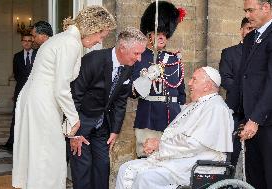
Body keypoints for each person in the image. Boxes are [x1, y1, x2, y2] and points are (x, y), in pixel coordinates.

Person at [12, 6, 116, 189]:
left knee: (42, 156)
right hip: (44, 102)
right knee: (48, 158)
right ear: (92, 29)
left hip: (38, 100)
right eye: (101, 36)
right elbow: (61, 88)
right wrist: (75, 121)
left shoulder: (63, 38)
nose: (99, 42)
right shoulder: (70, 43)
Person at [116, 67, 234, 189]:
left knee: (147, 177)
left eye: (194, 79)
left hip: (199, 163)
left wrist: (160, 146)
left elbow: (194, 143)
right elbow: (177, 133)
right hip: (183, 157)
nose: (189, 83)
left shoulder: (216, 108)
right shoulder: (197, 104)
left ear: (207, 86)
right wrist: (158, 144)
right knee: (125, 169)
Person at [69, 27, 147, 189]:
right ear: (122, 48)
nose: (139, 59)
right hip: (81, 124)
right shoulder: (93, 60)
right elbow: (74, 95)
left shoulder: (128, 66)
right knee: (83, 170)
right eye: (136, 53)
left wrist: (115, 130)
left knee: (102, 167)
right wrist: (74, 133)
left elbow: (120, 100)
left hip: (103, 126)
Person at [132, 1, 186, 158]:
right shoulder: (139, 57)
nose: (162, 37)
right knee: (146, 160)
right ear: (149, 34)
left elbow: (180, 94)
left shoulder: (174, 59)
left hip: (173, 119)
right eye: (158, 33)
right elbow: (133, 92)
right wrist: (149, 75)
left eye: (165, 33)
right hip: (149, 118)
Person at [239, 0, 272, 188]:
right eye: (246, 11)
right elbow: (241, 79)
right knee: (254, 178)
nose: (247, 16)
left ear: (265, 7)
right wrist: (231, 113)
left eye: (250, 10)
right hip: (250, 121)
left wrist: (256, 119)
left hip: (266, 122)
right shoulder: (251, 38)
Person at [219, 17, 254, 167]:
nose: (250, 32)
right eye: (248, 29)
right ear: (241, 30)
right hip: (236, 111)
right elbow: (225, 78)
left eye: (253, 29)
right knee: (231, 153)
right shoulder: (229, 53)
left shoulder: (263, 53)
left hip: (256, 113)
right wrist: (246, 92)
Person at [0, 33, 37, 152]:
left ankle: (32, 143)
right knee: (16, 117)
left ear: (33, 42)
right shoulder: (17, 56)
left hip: (36, 91)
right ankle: (11, 143)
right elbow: (16, 74)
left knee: (34, 116)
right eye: (24, 40)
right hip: (20, 90)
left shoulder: (39, 54)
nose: (26, 42)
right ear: (21, 42)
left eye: (29, 41)